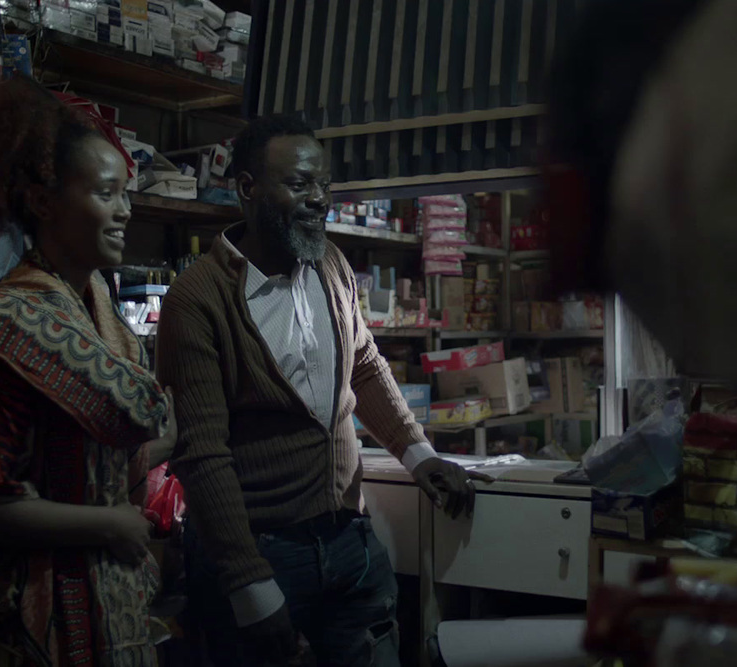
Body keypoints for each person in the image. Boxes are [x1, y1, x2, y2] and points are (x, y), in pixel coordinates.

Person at [156, 114, 490, 666]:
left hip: (349, 541)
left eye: (325, 186)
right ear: (246, 189)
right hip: (261, 554)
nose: (319, 200)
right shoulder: (197, 300)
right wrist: (250, 587)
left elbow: (364, 365)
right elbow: (203, 453)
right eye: (299, 184)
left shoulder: (330, 264)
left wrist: (418, 454)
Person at [0, 77, 174, 667]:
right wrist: (107, 523)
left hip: (112, 608)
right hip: (27, 624)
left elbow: (107, 454)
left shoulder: (103, 321)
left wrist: (162, 443)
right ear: (44, 202)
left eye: (126, 194)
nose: (125, 211)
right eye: (106, 193)